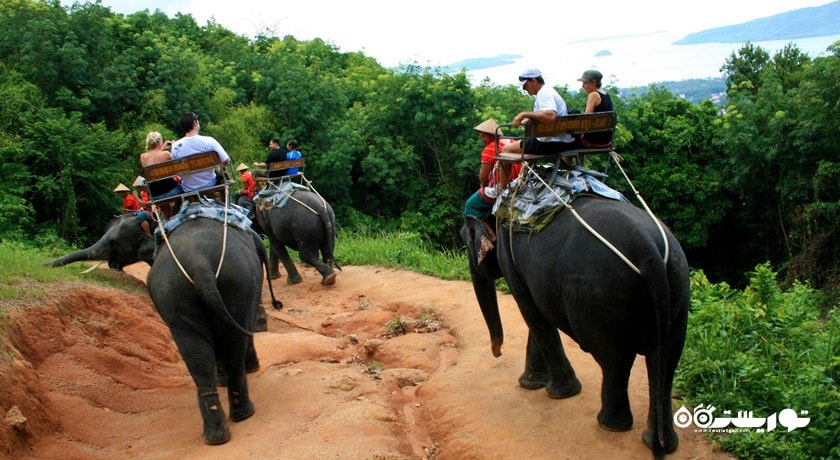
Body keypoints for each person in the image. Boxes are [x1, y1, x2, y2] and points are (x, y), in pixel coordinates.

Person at [499, 68, 579, 178]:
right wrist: (531, 119)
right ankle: (525, 175)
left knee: (505, 150)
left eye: (525, 85)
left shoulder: (544, 93)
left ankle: (502, 190)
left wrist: (524, 114)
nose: (523, 88)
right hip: (562, 140)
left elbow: (550, 116)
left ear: (534, 81)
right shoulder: (548, 91)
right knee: (524, 144)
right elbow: (545, 116)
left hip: (552, 142)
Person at [170, 112, 231, 192]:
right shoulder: (209, 140)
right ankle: (224, 203)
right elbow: (226, 161)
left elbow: (177, 171)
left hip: (188, 188)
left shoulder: (175, 146)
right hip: (210, 184)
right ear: (195, 123)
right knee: (222, 176)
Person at [577, 69, 614, 148]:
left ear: (594, 82)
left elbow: (585, 119)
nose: (582, 86)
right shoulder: (605, 93)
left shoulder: (593, 95)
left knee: (568, 141)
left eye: (585, 83)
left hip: (596, 140)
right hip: (607, 139)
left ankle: (564, 161)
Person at [139, 131, 182, 200]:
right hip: (171, 190)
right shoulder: (166, 154)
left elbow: (154, 159)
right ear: (159, 142)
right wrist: (174, 146)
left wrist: (162, 148)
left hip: (155, 195)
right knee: (184, 188)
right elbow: (178, 163)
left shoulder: (143, 157)